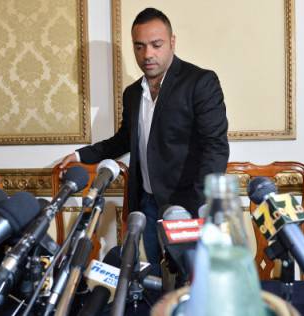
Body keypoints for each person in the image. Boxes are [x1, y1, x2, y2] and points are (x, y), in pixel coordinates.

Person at [61, 7, 229, 268]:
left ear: (172, 42)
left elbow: (215, 148)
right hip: (146, 204)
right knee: (155, 274)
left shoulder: (201, 82)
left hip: (187, 205)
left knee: (190, 280)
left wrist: (199, 207)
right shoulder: (132, 93)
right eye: (139, 47)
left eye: (156, 45)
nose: (147, 54)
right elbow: (124, 138)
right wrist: (81, 155)